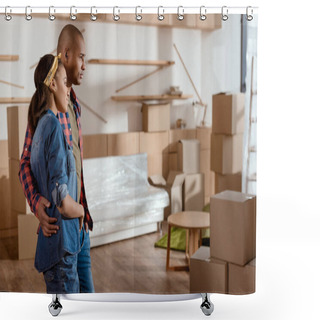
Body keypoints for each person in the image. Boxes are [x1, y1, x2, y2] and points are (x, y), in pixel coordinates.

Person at [19, 25, 94, 293]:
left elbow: (74, 170)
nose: (85, 64)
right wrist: (36, 202)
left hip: (80, 227)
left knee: (90, 301)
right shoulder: (45, 113)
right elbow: (25, 163)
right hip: (62, 228)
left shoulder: (74, 106)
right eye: (82, 57)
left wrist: (83, 212)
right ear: (66, 54)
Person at [29, 53, 84, 293]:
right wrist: (81, 209)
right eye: (64, 81)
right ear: (52, 84)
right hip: (61, 250)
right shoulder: (53, 126)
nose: (68, 89)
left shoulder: (41, 124)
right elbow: (62, 201)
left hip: (53, 249)